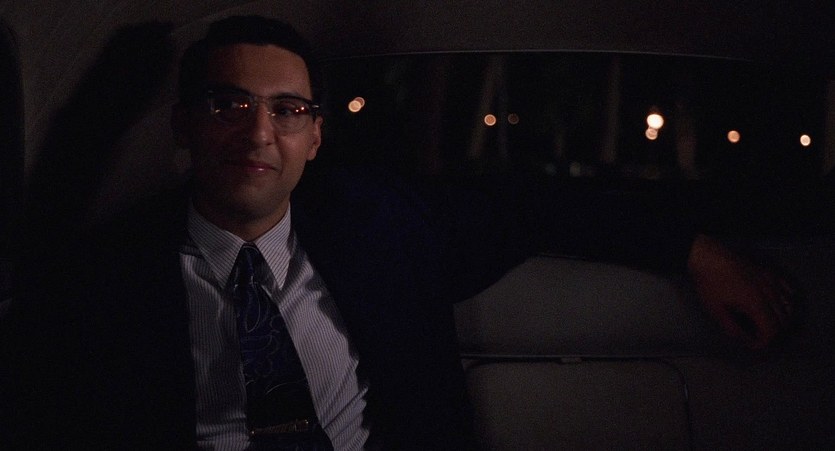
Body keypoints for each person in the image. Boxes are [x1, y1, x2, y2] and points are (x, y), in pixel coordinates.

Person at [0, 15, 793, 451]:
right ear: (185, 125)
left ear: (314, 137)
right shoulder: (102, 278)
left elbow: (539, 204)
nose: (258, 132)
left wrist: (696, 249)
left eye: (287, 110)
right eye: (228, 105)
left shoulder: (379, 223)